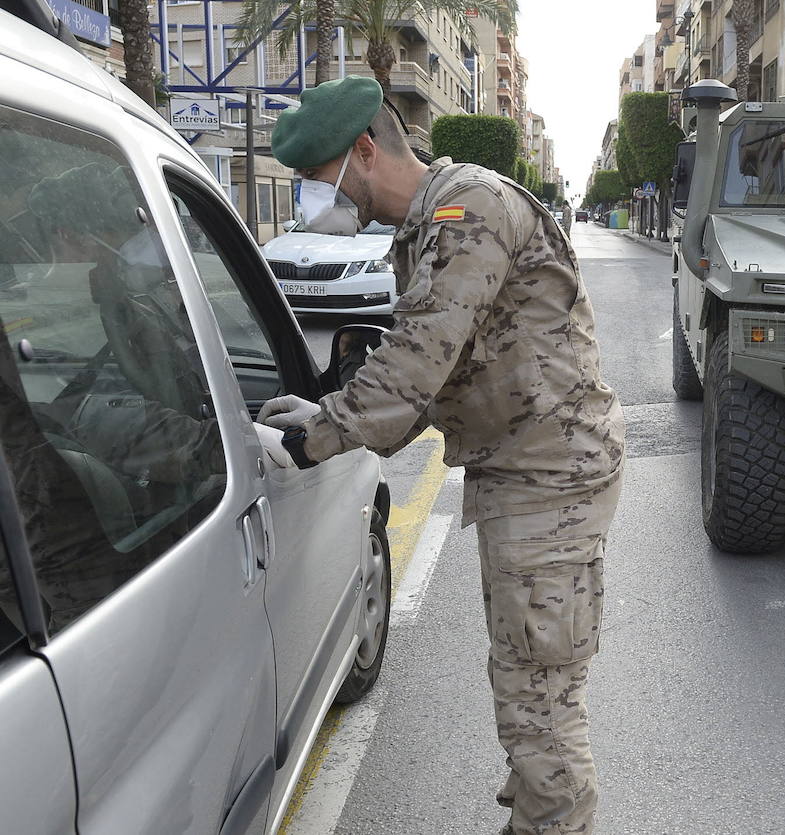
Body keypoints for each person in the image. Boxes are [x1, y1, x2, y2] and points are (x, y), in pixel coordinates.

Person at [261, 76, 624, 835]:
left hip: (548, 477)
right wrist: (333, 405)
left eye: (316, 177)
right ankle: (538, 814)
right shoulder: (430, 225)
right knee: (527, 677)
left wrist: (311, 435)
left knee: (540, 697)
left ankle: (552, 821)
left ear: (363, 152)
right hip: (528, 469)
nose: (312, 195)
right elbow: (432, 368)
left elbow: (417, 364)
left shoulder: (467, 211)